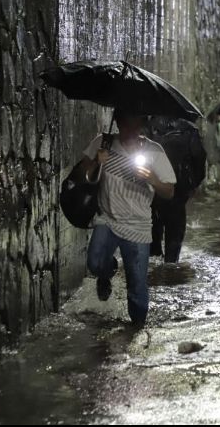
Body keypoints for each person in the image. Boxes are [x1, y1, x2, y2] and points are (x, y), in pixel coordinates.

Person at [79, 109, 177, 326]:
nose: (131, 131)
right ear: (118, 123)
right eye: (126, 125)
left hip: (138, 226)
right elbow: (82, 174)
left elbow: (169, 191)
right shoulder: (103, 143)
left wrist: (152, 178)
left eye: (136, 125)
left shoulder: (154, 151)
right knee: (95, 264)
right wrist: (96, 161)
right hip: (107, 219)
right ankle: (108, 272)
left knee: (137, 286)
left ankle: (136, 333)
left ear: (142, 125)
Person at [146, 116, 207, 263]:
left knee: (153, 244)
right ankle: (170, 274)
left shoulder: (148, 126)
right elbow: (199, 161)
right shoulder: (189, 129)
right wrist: (191, 186)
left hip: (153, 189)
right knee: (173, 246)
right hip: (179, 189)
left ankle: (155, 276)